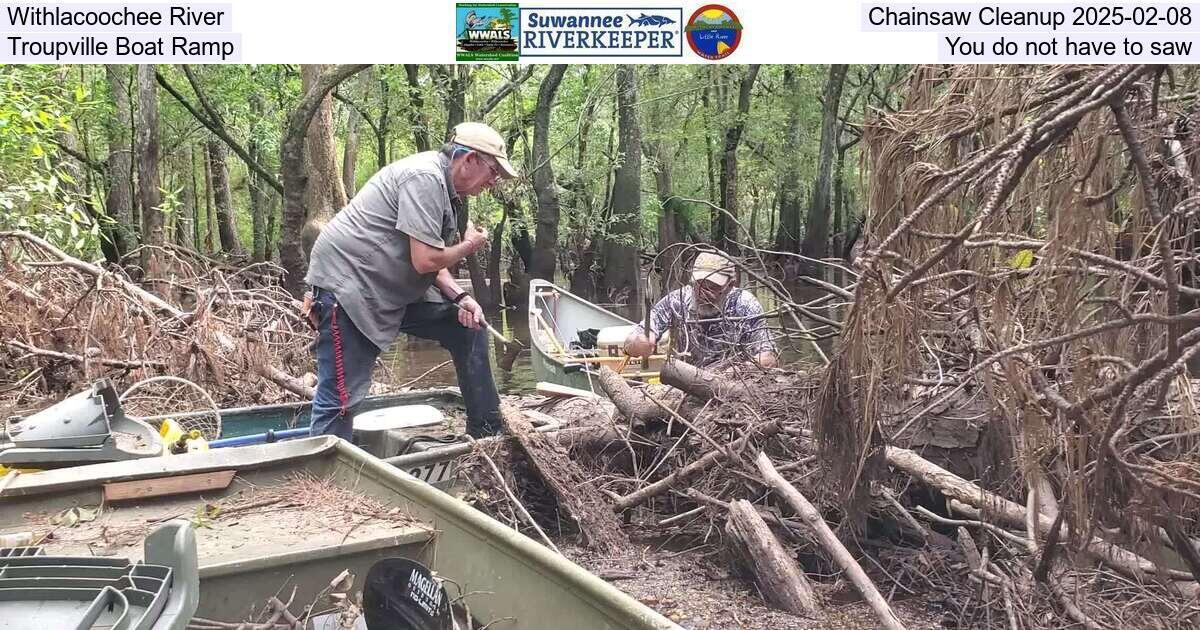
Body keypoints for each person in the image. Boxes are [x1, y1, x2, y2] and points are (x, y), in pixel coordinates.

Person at [303, 121, 518, 440]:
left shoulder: (447, 191)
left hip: (387, 288)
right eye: (492, 170)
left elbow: (429, 259)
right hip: (349, 286)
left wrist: (461, 298)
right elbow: (427, 260)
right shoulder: (425, 178)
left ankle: (487, 436)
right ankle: (325, 478)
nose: (493, 180)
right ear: (469, 159)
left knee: (468, 325)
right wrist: (469, 246)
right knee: (341, 399)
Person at [623, 251, 778, 368]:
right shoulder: (677, 301)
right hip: (684, 384)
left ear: (730, 285)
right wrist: (639, 343)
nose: (703, 292)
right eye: (699, 284)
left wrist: (740, 371)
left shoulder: (745, 304)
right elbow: (632, 340)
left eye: (712, 287)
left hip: (733, 387)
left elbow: (769, 356)